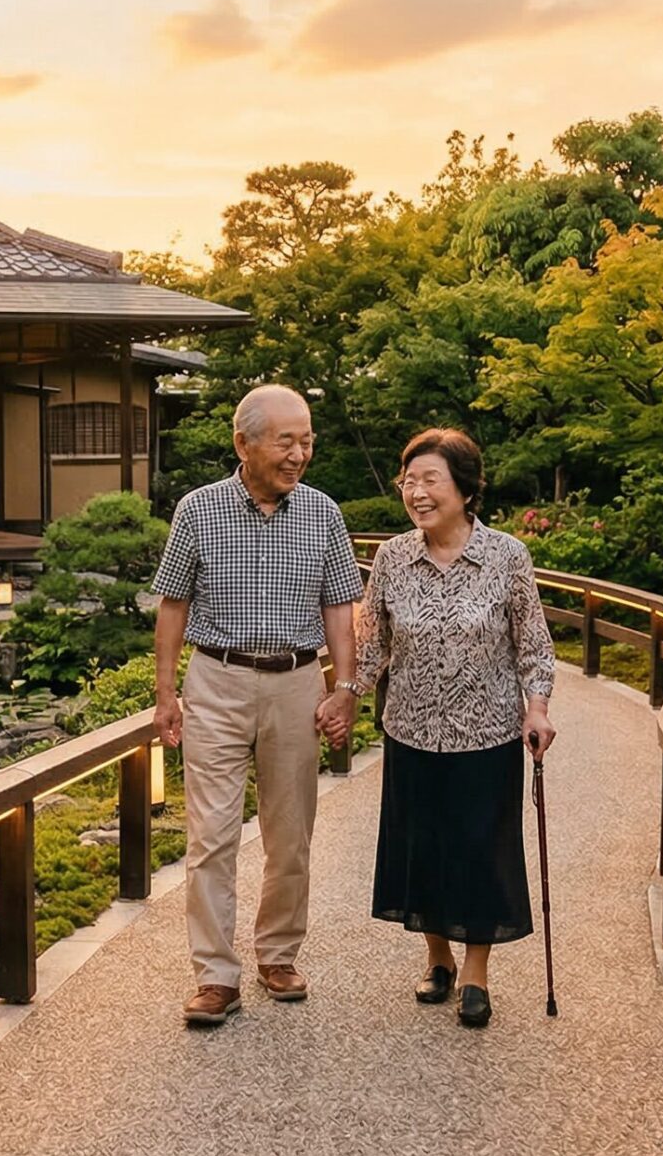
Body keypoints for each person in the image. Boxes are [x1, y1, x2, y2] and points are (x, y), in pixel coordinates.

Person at [151, 384, 365, 1028]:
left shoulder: (323, 513)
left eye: (306, 441)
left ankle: (277, 954)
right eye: (285, 441)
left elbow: (340, 608)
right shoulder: (199, 509)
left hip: (297, 682)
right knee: (211, 836)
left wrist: (345, 687)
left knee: (290, 833)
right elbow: (173, 604)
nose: (299, 453)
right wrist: (166, 692)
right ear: (242, 444)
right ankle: (215, 975)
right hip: (216, 681)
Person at [350, 428, 555, 1028]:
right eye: (408, 481)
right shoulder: (391, 557)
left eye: (429, 480)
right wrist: (338, 698)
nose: (416, 492)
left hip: (486, 735)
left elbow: (533, 647)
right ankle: (436, 958)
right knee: (425, 847)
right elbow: (371, 647)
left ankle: (475, 972)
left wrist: (537, 708)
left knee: (479, 849)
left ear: (464, 488)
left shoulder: (507, 557)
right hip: (410, 731)